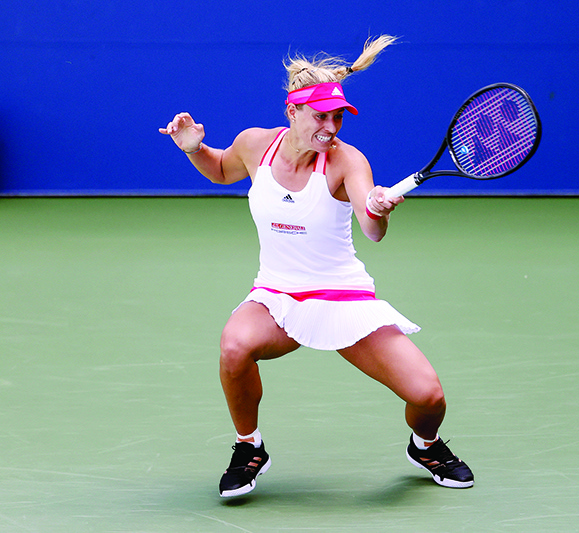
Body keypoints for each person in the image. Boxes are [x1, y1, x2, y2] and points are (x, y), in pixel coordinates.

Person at [159, 35, 473, 497]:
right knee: (233, 347)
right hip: (277, 295)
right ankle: (250, 447)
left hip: (342, 296)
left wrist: (378, 209)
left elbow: (371, 229)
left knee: (429, 396)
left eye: (338, 116)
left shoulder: (347, 161)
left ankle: (424, 445)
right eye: (320, 117)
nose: (331, 127)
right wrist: (193, 148)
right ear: (292, 112)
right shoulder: (254, 145)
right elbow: (223, 168)